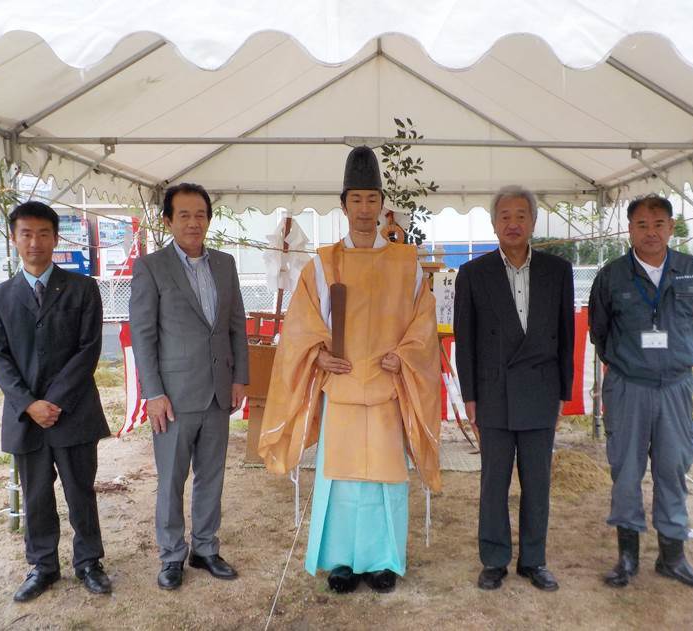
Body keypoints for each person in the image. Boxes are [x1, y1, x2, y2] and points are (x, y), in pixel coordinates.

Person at [259, 146, 441, 594]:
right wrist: (318, 356)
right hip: (340, 386)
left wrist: (405, 353)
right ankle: (341, 561)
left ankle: (383, 560)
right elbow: (302, 323)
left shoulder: (406, 263)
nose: (364, 209)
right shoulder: (323, 262)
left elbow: (423, 322)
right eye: (355, 199)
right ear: (344, 205)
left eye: (371, 199)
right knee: (339, 479)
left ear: (382, 205)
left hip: (386, 387)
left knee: (384, 479)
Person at [0, 201, 111, 602]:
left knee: (80, 492)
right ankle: (43, 565)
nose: (34, 242)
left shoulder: (82, 288)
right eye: (26, 233)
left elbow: (88, 350)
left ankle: (89, 561)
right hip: (26, 418)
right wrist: (29, 404)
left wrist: (52, 402)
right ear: (14, 238)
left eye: (43, 233)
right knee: (37, 495)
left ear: (56, 238)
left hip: (73, 413)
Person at [589, 194, 693, 589]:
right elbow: (600, 332)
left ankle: (672, 557)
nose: (651, 232)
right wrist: (629, 363)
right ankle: (627, 558)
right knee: (626, 471)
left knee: (672, 468)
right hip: (628, 387)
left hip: (675, 388)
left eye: (659, 224)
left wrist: (677, 357)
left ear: (671, 227)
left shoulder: (692, 270)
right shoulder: (612, 275)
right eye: (642, 224)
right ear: (630, 229)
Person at [454, 185, 574, 592]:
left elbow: (566, 333)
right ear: (493, 223)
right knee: (494, 482)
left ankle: (534, 560)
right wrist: (469, 395)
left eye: (521, 215)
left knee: (537, 482)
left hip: (541, 390)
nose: (513, 223)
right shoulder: (473, 273)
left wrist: (563, 393)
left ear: (533, 222)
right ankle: (494, 559)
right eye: (504, 216)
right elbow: (465, 339)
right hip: (494, 392)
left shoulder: (558, 271)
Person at [129, 182, 249, 590]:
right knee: (171, 479)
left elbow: (236, 327)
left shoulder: (226, 265)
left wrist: (240, 379)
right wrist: (153, 393)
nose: (193, 223)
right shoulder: (151, 267)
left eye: (200, 215)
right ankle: (171, 555)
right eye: (184, 215)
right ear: (168, 221)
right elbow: (144, 336)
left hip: (218, 391)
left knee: (211, 475)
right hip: (174, 397)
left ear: (209, 220)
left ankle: (205, 548)